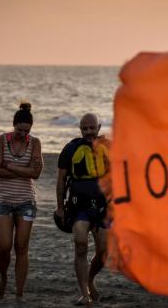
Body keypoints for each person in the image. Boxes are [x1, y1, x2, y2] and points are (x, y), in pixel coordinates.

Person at [0, 102, 43, 303]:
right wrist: (24, 170)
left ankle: (20, 293)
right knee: (4, 245)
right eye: (20, 130)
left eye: (27, 130)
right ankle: (3, 278)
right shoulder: (0, 141)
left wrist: (10, 165)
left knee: (21, 247)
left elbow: (36, 174)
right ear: (13, 125)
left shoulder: (35, 143)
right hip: (2, 199)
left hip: (26, 201)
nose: (23, 134)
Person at [55, 113, 109, 306]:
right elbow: (61, 179)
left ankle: (91, 280)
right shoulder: (70, 148)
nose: (88, 132)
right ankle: (84, 293)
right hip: (79, 207)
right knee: (80, 244)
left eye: (92, 128)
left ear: (99, 127)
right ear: (80, 128)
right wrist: (60, 207)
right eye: (84, 128)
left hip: (103, 208)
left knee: (103, 252)